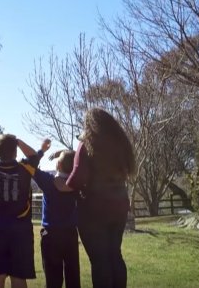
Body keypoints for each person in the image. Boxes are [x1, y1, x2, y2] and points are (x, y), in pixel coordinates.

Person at [66, 108, 137, 288]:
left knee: (100, 260)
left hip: (94, 209)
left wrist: (64, 183)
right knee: (115, 255)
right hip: (119, 204)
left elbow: (77, 178)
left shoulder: (88, 143)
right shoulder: (121, 143)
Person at [0, 134, 44, 288]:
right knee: (18, 276)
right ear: (15, 152)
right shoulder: (25, 167)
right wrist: (18, 141)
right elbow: (34, 155)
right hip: (20, 227)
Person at [33, 148, 80, 288]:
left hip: (51, 234)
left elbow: (31, 164)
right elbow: (75, 156)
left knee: (53, 278)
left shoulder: (49, 181)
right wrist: (63, 154)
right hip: (70, 233)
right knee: (73, 277)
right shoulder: (77, 185)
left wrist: (43, 151)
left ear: (58, 165)